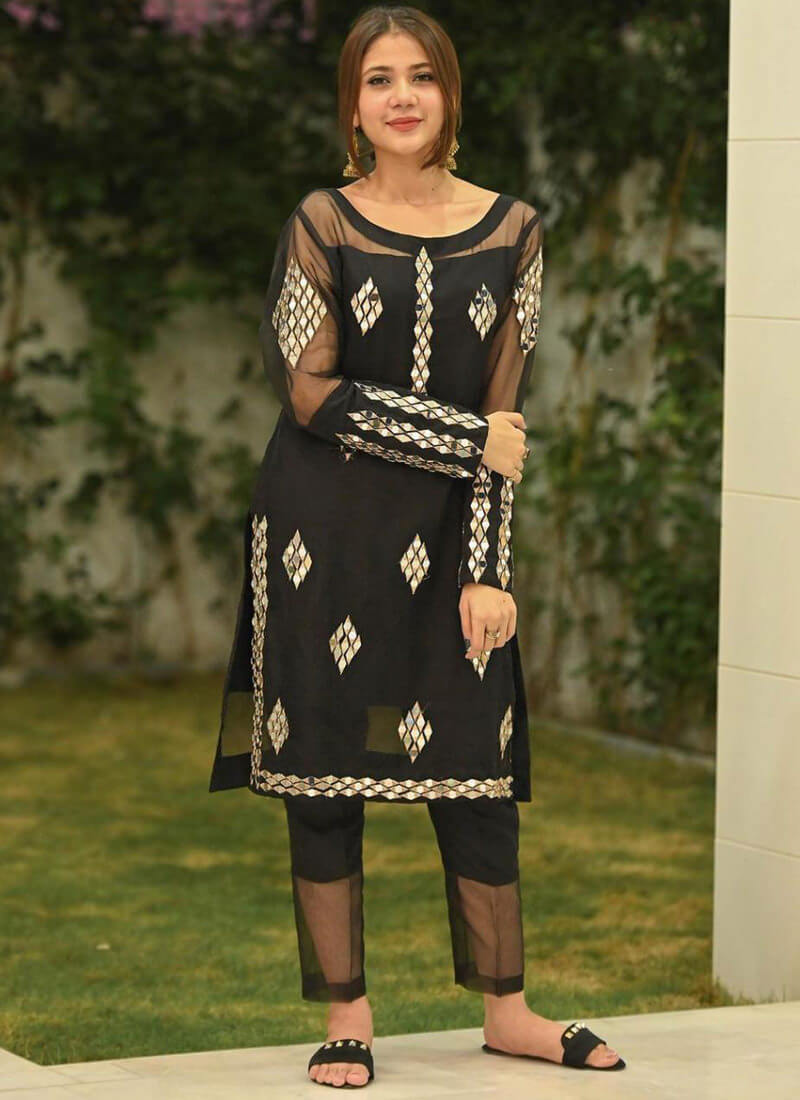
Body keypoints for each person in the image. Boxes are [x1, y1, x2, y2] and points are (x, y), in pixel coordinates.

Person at [208, 3, 626, 1088]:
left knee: (474, 767)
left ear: (450, 94)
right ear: (352, 105)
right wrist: (465, 438)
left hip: (448, 534)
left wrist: (488, 567)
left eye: (421, 77)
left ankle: (509, 1011)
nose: (402, 97)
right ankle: (347, 1015)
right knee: (324, 770)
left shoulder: (513, 230)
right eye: (379, 78)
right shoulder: (322, 223)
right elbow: (309, 392)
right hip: (322, 529)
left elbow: (506, 418)